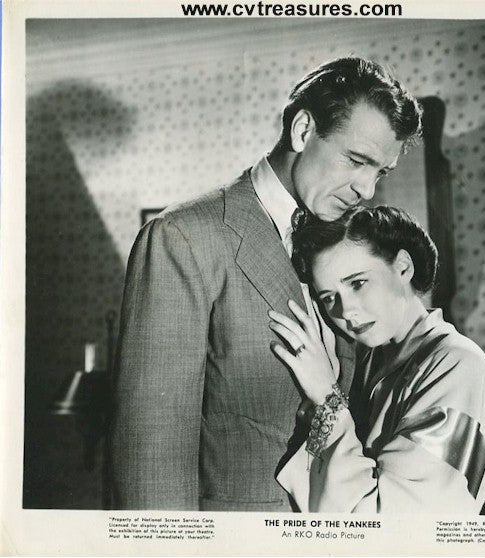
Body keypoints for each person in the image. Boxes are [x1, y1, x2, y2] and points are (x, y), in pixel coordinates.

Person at [109, 57, 421, 510]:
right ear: (302, 130)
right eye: (357, 161)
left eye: (380, 172)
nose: (367, 190)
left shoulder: (344, 245)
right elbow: (150, 458)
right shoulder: (184, 238)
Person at [270, 206, 485, 513]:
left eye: (358, 283)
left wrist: (327, 397)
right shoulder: (368, 358)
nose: (346, 311)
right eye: (328, 298)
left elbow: (388, 521)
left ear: (403, 268)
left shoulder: (459, 366)